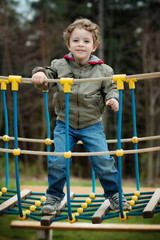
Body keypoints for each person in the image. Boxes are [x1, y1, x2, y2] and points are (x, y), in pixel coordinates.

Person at [32, 18, 130, 214]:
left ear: (94, 46)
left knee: (103, 160)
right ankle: (54, 197)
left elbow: (111, 87)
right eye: (75, 40)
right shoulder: (59, 65)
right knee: (58, 160)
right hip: (64, 123)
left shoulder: (104, 70)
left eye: (86, 41)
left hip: (91, 124)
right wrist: (40, 74)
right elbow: (47, 77)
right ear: (68, 44)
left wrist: (113, 99)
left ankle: (115, 195)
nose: (80, 44)